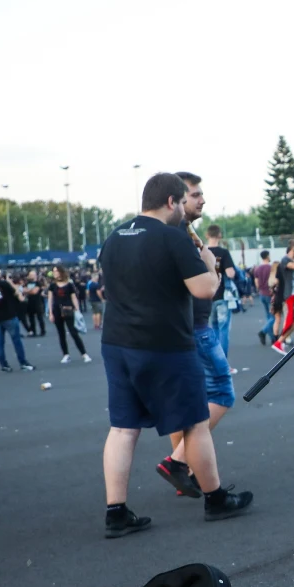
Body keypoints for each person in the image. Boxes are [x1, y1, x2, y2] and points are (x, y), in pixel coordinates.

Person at [97, 172, 252, 537]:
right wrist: (209, 264)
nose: (185, 208)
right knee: (195, 423)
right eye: (182, 202)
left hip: (117, 342)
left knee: (122, 427)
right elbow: (204, 290)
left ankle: (115, 511)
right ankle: (215, 499)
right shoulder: (171, 237)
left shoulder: (115, 237)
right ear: (171, 201)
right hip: (165, 343)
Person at [156, 216, 239, 498]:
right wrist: (208, 262)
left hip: (171, 331)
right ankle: (178, 462)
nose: (201, 200)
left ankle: (186, 472)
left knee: (182, 403)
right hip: (197, 329)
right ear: (176, 201)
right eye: (194, 194)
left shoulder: (160, 240)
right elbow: (210, 289)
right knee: (222, 394)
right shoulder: (185, 242)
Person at [0, 267, 34, 372]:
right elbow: (16, 293)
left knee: (0, 342)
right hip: (9, 315)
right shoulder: (3, 284)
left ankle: (4, 364)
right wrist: (9, 282)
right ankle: (23, 362)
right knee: (16, 340)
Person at [201, 223, 238, 355]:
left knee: (213, 329)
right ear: (219, 235)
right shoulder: (223, 253)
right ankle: (223, 363)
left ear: (207, 235)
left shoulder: (201, 252)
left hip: (206, 296)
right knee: (223, 329)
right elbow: (230, 273)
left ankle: (214, 361)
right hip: (222, 295)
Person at [48, 267, 90, 364]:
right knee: (61, 333)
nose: (54, 273)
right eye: (53, 271)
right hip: (57, 310)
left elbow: (73, 297)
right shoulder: (52, 286)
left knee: (73, 332)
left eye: (56, 271)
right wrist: (50, 313)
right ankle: (66, 354)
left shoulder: (69, 285)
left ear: (61, 272)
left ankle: (84, 354)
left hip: (68, 309)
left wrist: (77, 310)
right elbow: (50, 300)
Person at [254, 251, 274, 345]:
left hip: (262, 293)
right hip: (270, 294)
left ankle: (272, 337)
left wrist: (259, 290)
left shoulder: (257, 269)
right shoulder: (271, 268)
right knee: (273, 317)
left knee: (268, 316)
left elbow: (256, 282)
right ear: (267, 256)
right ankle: (263, 331)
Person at [22, 271, 47, 338]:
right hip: (29, 303)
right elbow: (22, 290)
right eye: (30, 275)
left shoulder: (38, 283)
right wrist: (29, 290)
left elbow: (34, 292)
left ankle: (42, 331)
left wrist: (28, 291)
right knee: (31, 318)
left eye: (32, 275)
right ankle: (33, 331)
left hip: (37, 303)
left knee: (40, 318)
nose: (31, 276)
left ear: (35, 276)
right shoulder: (27, 283)